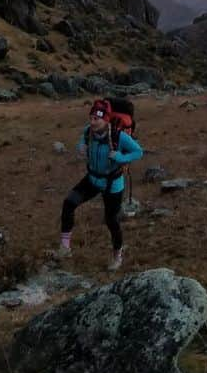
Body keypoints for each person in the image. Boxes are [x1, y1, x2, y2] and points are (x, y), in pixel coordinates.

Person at [57, 98, 143, 270]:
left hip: (113, 184)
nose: (93, 122)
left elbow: (138, 151)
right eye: (91, 118)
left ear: (107, 119)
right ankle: (65, 248)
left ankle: (117, 256)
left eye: (97, 119)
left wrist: (121, 158)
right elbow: (82, 140)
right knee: (69, 203)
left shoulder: (119, 136)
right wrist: (81, 146)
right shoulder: (88, 131)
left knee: (111, 220)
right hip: (92, 179)